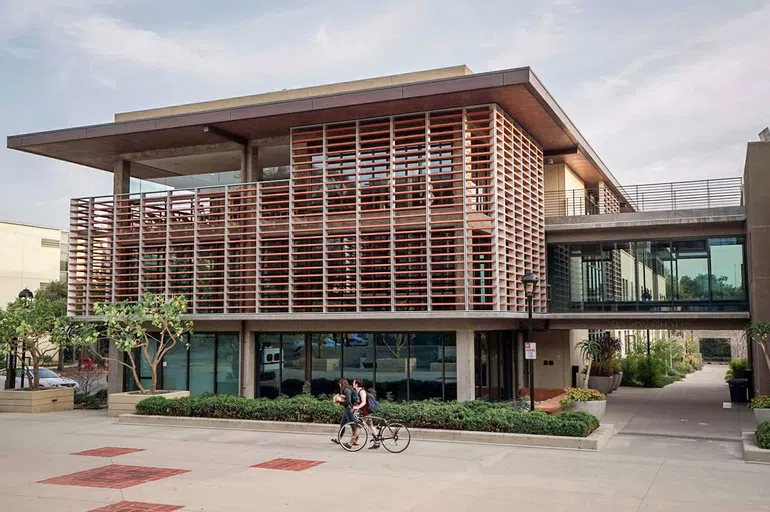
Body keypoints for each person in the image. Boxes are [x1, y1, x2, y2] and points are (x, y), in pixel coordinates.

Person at [350, 378, 379, 449]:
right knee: (371, 426)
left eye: (353, 383)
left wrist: (357, 407)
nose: (352, 384)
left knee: (358, 427)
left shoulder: (361, 391)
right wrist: (355, 407)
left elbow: (364, 402)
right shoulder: (358, 391)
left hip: (365, 413)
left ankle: (350, 443)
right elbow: (360, 402)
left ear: (356, 384)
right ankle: (377, 442)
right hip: (365, 412)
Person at [331, 378, 356, 445]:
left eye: (339, 384)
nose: (339, 385)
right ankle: (339, 439)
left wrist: (339, 402)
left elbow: (348, 402)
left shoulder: (346, 390)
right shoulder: (347, 389)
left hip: (349, 409)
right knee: (342, 424)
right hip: (347, 409)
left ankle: (355, 440)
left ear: (342, 384)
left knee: (352, 425)